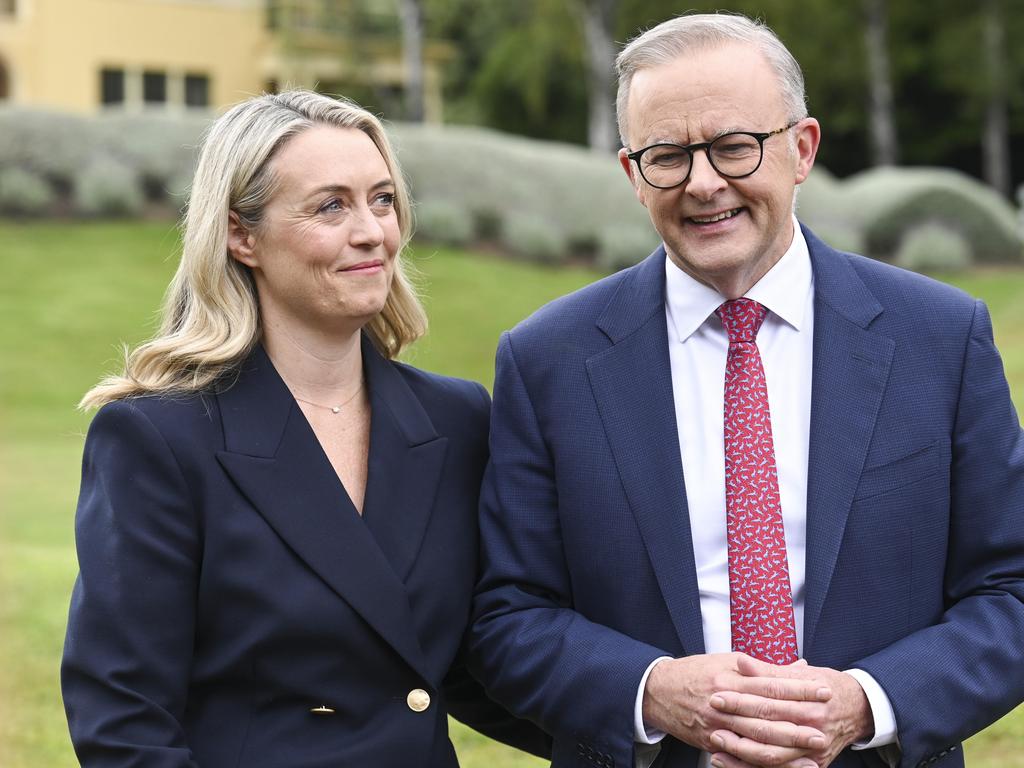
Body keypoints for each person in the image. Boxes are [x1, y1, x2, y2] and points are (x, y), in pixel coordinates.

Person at [470, 12, 1024, 768]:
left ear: (802, 150)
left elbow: (1011, 591)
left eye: (734, 147)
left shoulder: (940, 339)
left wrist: (868, 703)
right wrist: (652, 691)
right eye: (667, 156)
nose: (703, 184)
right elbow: (507, 617)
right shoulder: (546, 362)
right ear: (633, 176)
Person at [61, 89, 549, 768]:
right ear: (241, 235)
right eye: (331, 206)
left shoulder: (457, 418)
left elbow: (478, 656)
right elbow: (123, 727)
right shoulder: (157, 439)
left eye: (382, 199)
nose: (373, 231)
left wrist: (659, 728)